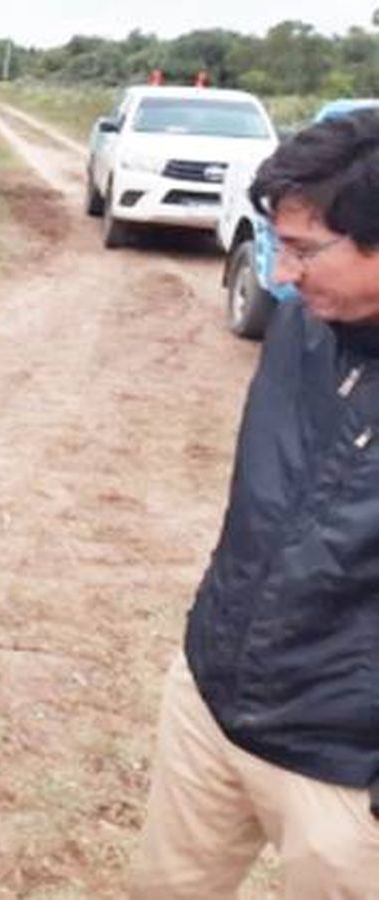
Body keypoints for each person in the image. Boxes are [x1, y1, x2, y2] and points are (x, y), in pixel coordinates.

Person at [130, 112, 379, 898]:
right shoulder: (302, 327)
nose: (280, 272)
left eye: (305, 249)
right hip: (213, 702)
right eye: (276, 241)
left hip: (345, 765)